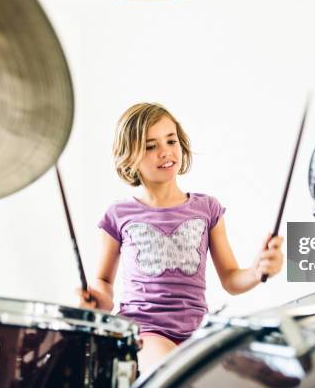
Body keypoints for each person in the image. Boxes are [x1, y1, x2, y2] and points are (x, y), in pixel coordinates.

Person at [78, 102, 284, 374]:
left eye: (170, 140)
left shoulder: (207, 208)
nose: (165, 151)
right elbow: (103, 281)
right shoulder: (118, 214)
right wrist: (97, 298)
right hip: (145, 330)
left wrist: (258, 271)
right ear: (129, 157)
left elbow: (232, 279)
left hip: (198, 331)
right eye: (150, 146)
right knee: (173, 372)